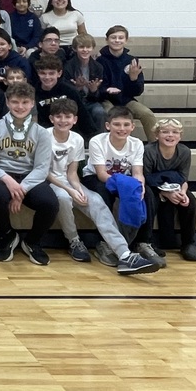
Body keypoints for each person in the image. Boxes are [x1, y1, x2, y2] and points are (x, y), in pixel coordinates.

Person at [45, 99, 159, 275]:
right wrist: (70, 191)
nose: (63, 120)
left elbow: (72, 173)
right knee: (64, 198)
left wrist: (77, 189)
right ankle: (74, 240)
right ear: (52, 119)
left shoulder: (77, 139)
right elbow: (44, 172)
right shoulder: (44, 136)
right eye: (58, 117)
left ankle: (125, 254)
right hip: (49, 182)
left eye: (67, 117)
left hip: (68, 181)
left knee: (97, 201)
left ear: (74, 120)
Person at [0, 82, 59, 265]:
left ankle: (31, 241)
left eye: (25, 102)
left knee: (50, 203)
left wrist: (21, 190)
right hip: (1, 175)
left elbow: (41, 168)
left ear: (32, 103)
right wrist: (9, 181)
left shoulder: (42, 133)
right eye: (15, 102)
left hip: (29, 177)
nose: (20, 107)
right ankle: (8, 235)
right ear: (7, 102)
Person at [82, 105, 163, 268]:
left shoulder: (137, 143)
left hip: (124, 178)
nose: (122, 129)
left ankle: (143, 242)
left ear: (132, 127)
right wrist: (124, 187)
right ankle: (104, 243)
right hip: (97, 177)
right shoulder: (97, 141)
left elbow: (137, 172)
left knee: (147, 195)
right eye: (117, 124)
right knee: (104, 194)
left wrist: (139, 186)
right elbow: (101, 174)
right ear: (108, 126)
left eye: (126, 125)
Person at [144, 117, 196, 262]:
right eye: (165, 132)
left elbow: (183, 178)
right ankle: (147, 242)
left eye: (175, 132)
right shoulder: (149, 151)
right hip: (153, 187)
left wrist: (182, 192)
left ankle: (188, 243)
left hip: (176, 187)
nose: (170, 135)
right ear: (156, 135)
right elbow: (147, 178)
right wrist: (165, 193)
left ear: (180, 136)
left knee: (191, 201)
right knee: (149, 198)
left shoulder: (185, 152)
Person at [97, 24, 157, 139]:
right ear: (107, 40)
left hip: (126, 100)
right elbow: (98, 88)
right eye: (113, 37)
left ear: (126, 40)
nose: (117, 40)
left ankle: (155, 147)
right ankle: (110, 145)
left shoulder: (132, 60)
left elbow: (138, 91)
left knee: (147, 113)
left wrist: (133, 79)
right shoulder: (100, 61)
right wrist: (107, 90)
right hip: (107, 100)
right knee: (111, 114)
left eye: (120, 38)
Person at [32, 54, 98, 138]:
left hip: (70, 134)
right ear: (38, 73)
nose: (47, 77)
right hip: (45, 135)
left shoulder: (70, 91)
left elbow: (83, 115)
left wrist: (90, 137)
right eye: (43, 73)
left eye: (51, 73)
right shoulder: (33, 92)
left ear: (59, 73)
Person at [63, 32, 107, 130]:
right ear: (75, 49)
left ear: (92, 48)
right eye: (81, 47)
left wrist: (94, 90)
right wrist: (77, 88)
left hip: (91, 101)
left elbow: (99, 95)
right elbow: (65, 91)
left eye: (88, 47)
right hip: (73, 102)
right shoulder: (68, 67)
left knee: (100, 112)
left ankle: (99, 140)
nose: (85, 50)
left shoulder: (98, 67)